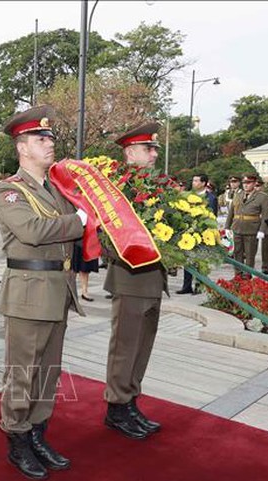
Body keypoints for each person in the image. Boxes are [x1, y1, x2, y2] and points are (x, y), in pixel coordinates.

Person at [0, 106, 86, 480]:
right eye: (41, 139)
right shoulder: (8, 190)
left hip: (57, 290)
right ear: (22, 148)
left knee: (48, 372)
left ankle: (37, 432)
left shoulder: (57, 189)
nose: (49, 145)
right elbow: (32, 230)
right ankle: (16, 440)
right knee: (23, 372)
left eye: (50, 139)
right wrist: (78, 221)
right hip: (28, 294)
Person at [104, 122, 167, 441]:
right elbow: (106, 236)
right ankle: (116, 407)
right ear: (130, 152)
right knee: (125, 347)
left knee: (142, 346)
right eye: (149, 148)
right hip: (129, 278)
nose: (155, 153)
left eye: (154, 148)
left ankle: (130, 401)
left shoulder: (158, 186)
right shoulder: (116, 188)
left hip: (154, 279)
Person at [178, 173, 219, 294]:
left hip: (203, 233)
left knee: (200, 260)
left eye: (196, 181)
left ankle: (199, 286)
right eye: (193, 180)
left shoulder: (211, 198)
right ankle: (186, 286)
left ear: (204, 183)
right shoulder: (187, 196)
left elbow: (212, 216)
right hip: (189, 231)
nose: (193, 183)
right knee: (188, 259)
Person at [225, 174, 268, 277]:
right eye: (244, 183)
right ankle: (238, 274)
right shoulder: (238, 195)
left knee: (250, 254)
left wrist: (262, 230)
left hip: (251, 229)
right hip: (237, 228)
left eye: (248, 183)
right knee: (237, 253)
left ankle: (247, 274)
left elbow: (265, 215)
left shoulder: (262, 197)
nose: (246, 185)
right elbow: (231, 212)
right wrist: (227, 227)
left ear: (254, 183)